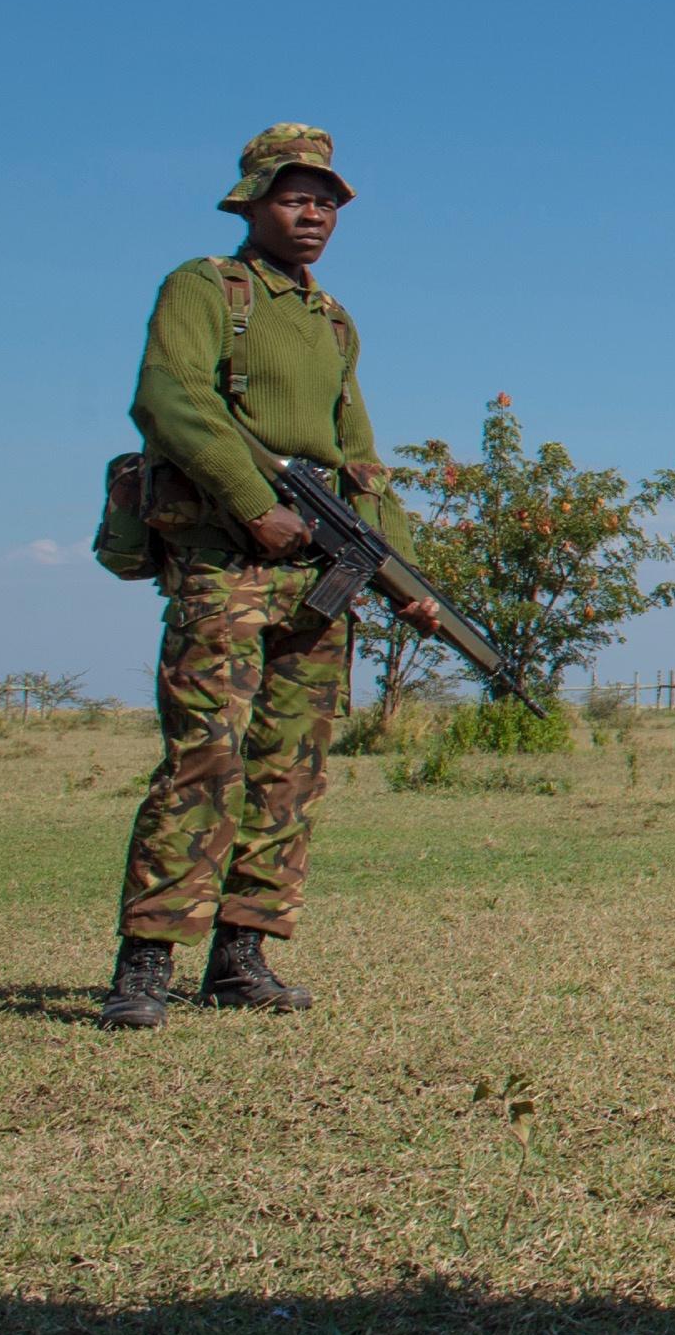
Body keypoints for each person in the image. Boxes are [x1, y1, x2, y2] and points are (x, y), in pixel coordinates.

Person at [100, 125, 441, 1030]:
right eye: (296, 196)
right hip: (228, 561)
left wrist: (400, 571)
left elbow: (361, 462)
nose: (315, 212)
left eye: (328, 200)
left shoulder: (333, 321)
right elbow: (169, 398)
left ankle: (241, 957)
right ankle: (145, 962)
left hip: (319, 574)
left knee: (290, 766)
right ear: (250, 201)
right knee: (206, 756)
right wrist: (255, 503)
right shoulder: (206, 288)